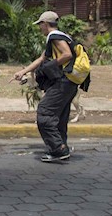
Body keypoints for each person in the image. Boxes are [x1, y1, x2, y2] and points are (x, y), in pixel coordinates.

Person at [13, 11, 77, 162]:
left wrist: (51, 66)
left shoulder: (54, 36)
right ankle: (62, 147)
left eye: (40, 25)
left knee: (45, 113)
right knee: (59, 117)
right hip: (70, 83)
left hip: (63, 82)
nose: (40, 28)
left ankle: (58, 149)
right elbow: (42, 58)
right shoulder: (61, 36)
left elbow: (67, 54)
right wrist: (24, 71)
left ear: (45, 24)